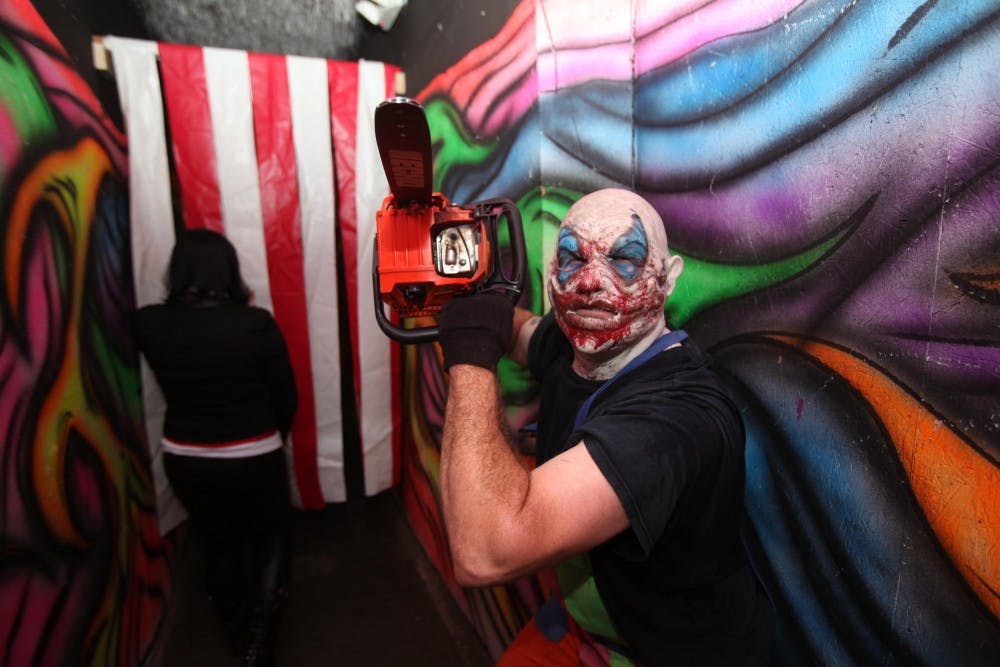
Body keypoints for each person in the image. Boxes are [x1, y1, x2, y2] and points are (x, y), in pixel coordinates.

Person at [436, 189, 772, 665]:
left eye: (625, 259)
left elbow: (484, 551)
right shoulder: (578, 339)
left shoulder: (675, 418)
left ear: (668, 277)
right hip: (584, 626)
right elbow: (521, 332)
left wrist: (468, 347)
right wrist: (463, 290)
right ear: (552, 271)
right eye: (574, 258)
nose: (591, 282)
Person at [133, 229, 297, 667]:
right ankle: (258, 645)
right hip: (253, 452)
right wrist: (269, 438)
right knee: (269, 538)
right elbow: (286, 396)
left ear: (177, 271)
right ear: (229, 270)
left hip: (184, 456)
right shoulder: (255, 323)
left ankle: (235, 630)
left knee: (218, 543)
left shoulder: (148, 323)